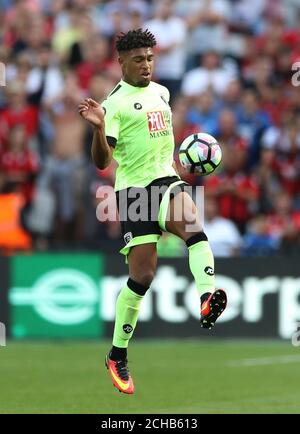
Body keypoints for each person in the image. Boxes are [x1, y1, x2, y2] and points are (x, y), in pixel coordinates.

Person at [78, 28, 227, 395]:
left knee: (195, 228)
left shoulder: (162, 92)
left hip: (165, 181)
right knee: (142, 277)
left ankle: (207, 296)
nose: (146, 65)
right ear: (121, 62)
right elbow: (101, 162)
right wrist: (99, 129)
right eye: (139, 59)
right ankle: (117, 355)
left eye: (150, 58)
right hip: (132, 192)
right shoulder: (113, 105)